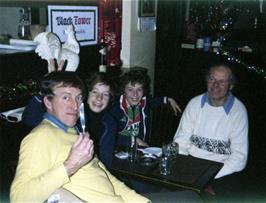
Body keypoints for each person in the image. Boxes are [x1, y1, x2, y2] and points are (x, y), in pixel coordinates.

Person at [10, 71, 149, 202]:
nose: (75, 105)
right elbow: (18, 198)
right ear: (48, 102)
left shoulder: (74, 132)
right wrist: (70, 165)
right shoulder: (40, 137)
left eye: (78, 98)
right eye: (66, 97)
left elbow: (107, 177)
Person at [173, 63, 248, 196]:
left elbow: (239, 158)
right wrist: (185, 171)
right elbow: (181, 142)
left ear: (231, 86)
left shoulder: (238, 111)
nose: (215, 85)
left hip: (221, 170)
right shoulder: (194, 104)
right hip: (191, 164)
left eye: (222, 81)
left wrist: (206, 178)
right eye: (212, 79)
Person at [100, 68, 181, 169]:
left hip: (141, 153)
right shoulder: (115, 109)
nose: (135, 95)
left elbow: (153, 101)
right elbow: (111, 136)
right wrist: (135, 140)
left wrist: (167, 99)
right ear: (123, 90)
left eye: (139, 89)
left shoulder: (144, 102)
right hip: (120, 155)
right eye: (130, 89)